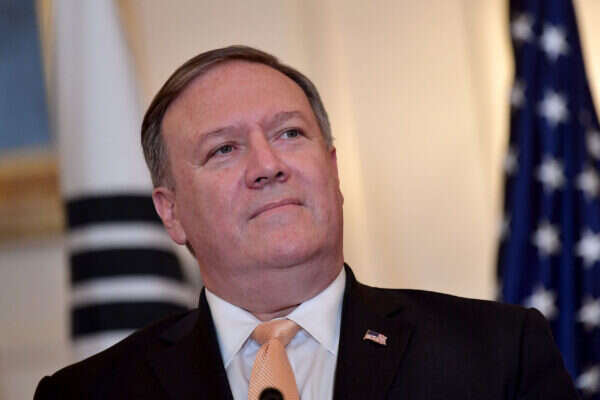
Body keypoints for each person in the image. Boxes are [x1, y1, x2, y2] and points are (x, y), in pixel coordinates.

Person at [34, 45, 579, 399]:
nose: (268, 165)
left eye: (290, 134)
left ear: (333, 169)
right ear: (171, 212)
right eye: (224, 149)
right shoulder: (87, 394)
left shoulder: (497, 352)